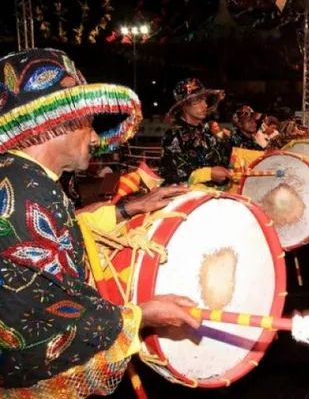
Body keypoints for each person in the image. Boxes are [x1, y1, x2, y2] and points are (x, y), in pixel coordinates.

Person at [0, 48, 201, 397]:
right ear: (55, 121)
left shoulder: (21, 176)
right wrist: (140, 316)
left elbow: (59, 238)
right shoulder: (29, 191)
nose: (94, 138)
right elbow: (45, 325)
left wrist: (127, 208)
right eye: (87, 122)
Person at [160, 77, 230, 186]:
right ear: (184, 105)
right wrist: (209, 174)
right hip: (187, 195)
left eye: (204, 100)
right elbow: (173, 176)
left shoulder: (208, 133)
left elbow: (223, 162)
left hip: (214, 193)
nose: (205, 105)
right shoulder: (173, 135)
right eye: (198, 101)